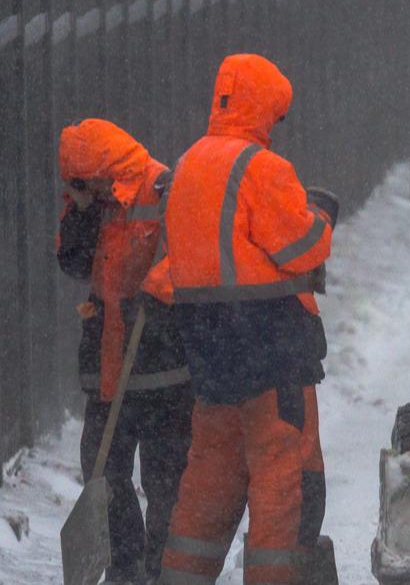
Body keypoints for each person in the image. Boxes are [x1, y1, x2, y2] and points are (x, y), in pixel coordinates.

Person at [147, 54, 337, 585]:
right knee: (281, 475)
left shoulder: (188, 165)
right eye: (277, 117)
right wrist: (320, 214)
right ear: (265, 108)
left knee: (211, 472)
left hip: (208, 349)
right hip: (268, 344)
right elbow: (301, 248)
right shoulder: (261, 168)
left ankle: (182, 575)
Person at [57, 119, 192, 585]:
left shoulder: (164, 189)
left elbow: (190, 256)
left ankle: (161, 571)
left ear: (104, 169)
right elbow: (72, 262)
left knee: (165, 479)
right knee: (104, 472)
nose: (81, 189)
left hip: (163, 369)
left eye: (85, 181)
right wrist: (79, 213)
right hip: (107, 364)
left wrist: (153, 293)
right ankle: (126, 567)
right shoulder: (91, 202)